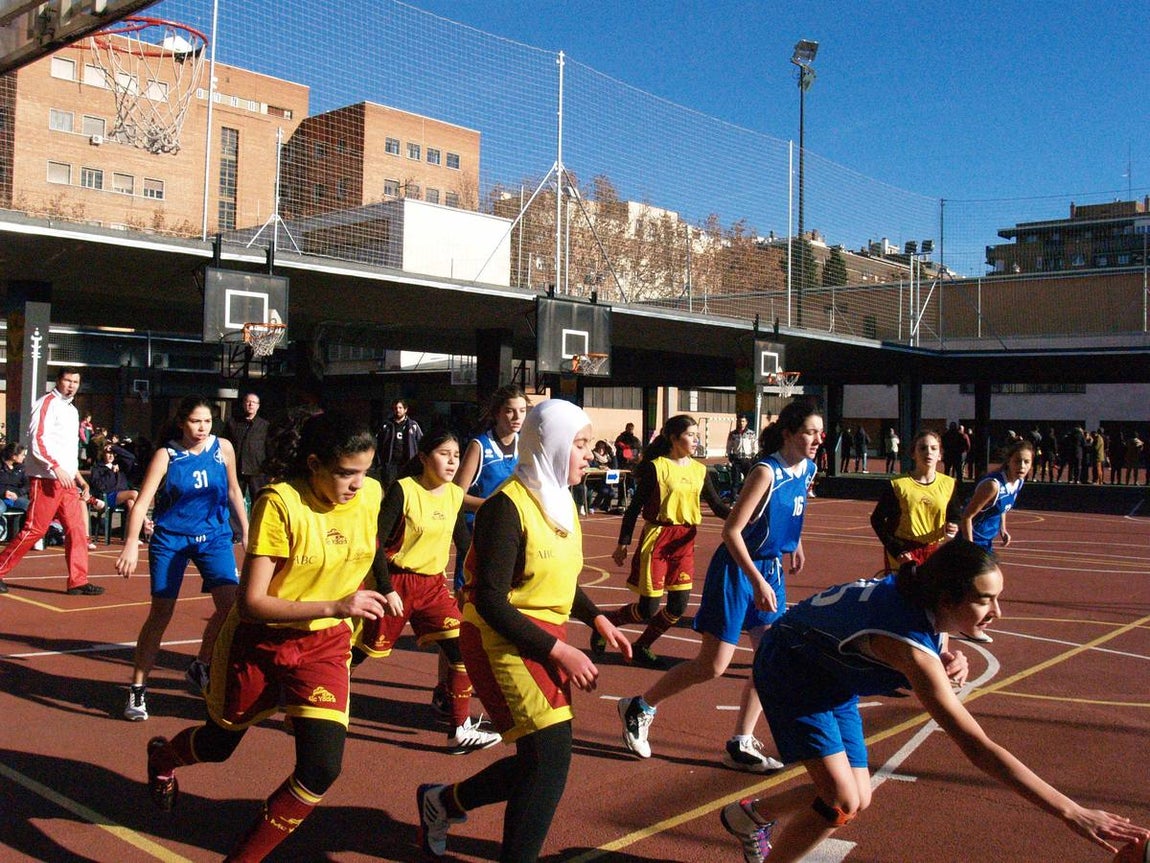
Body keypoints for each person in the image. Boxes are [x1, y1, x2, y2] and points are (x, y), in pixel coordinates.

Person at [718, 540, 1149, 863]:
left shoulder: (925, 596)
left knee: (858, 797)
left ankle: (749, 817)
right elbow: (978, 748)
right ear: (949, 599)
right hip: (792, 670)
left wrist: (945, 654)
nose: (997, 611)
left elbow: (906, 634)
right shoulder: (908, 645)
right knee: (840, 801)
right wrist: (1072, 812)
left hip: (829, 669)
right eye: (985, 600)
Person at [142, 410, 385, 863]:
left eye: (365, 472)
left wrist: (383, 590)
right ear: (314, 465)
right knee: (218, 747)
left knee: (321, 768)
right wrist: (338, 604)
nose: (357, 484)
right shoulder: (280, 503)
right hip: (259, 642)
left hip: (324, 644)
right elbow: (252, 602)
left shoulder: (369, 494)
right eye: (346, 473)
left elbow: (370, 544)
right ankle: (163, 758)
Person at [416, 398, 631, 863]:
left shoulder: (560, 499)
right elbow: (491, 602)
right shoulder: (505, 508)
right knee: (550, 763)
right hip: (499, 640)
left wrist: (596, 618)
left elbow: (560, 577)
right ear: (550, 446)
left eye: (588, 444)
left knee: (540, 762)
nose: (588, 455)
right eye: (579, 445)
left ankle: (443, 802)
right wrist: (560, 651)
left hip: (540, 636)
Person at [618, 401, 822, 772]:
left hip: (768, 569)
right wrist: (757, 580)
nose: (817, 439)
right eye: (810, 431)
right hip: (737, 572)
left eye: (819, 432)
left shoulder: (807, 468)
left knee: (770, 658)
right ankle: (640, 706)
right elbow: (732, 532)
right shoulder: (765, 472)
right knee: (712, 666)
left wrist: (796, 544)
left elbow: (794, 509)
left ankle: (741, 740)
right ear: (790, 433)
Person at [352, 429, 501, 754]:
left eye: (456, 456)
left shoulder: (453, 495)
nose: (452, 461)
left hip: (432, 587)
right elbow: (375, 542)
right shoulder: (404, 491)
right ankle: (315, 691)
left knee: (461, 651)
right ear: (423, 458)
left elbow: (463, 541)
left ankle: (459, 730)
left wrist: (486, 577)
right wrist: (387, 588)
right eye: (444, 454)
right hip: (396, 583)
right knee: (361, 652)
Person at [116, 396, 249, 721]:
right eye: (195, 422)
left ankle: (201, 663)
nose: (202, 428)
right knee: (161, 613)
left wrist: (246, 530)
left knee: (232, 609)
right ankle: (137, 688)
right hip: (171, 539)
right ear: (181, 423)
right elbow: (144, 499)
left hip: (214, 537)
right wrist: (131, 543)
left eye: (207, 421)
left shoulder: (224, 448)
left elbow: (233, 491)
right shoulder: (168, 455)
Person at [593, 414, 731, 667]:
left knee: (678, 606)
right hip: (658, 537)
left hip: (685, 540)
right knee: (648, 608)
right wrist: (623, 543)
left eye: (696, 434)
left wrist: (749, 516)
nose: (695, 439)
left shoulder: (699, 470)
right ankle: (607, 621)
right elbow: (634, 508)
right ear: (673, 438)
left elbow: (719, 507)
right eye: (690, 434)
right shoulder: (657, 467)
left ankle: (643, 645)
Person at [0, 368, 102, 596]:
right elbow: (36, 439)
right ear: (58, 380)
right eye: (68, 380)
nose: (72, 385)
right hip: (46, 478)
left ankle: (78, 580)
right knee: (35, 529)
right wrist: (54, 467)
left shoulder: (73, 411)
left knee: (76, 530)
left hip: (67, 482)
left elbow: (68, 451)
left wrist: (80, 480)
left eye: (76, 381)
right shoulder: (45, 403)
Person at [453, 385, 527, 591]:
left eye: (522, 411)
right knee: (470, 595)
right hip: (477, 534)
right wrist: (492, 507)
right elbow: (456, 496)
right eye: (510, 410)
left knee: (504, 593)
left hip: (508, 533)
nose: (516, 417)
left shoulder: (524, 446)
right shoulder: (480, 446)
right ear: (497, 413)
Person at [870, 429, 961, 573]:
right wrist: (897, 549)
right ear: (913, 454)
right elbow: (877, 520)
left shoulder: (949, 484)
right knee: (902, 594)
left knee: (931, 594)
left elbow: (955, 515)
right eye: (922, 448)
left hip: (933, 551)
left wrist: (953, 525)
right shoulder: (898, 485)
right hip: (904, 552)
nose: (928, 452)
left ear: (940, 455)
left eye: (933, 448)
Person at [960, 438, 1033, 574]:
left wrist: (1003, 528)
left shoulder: (1018, 482)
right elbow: (966, 517)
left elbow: (1001, 507)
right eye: (1017, 461)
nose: (1022, 466)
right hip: (971, 540)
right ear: (1008, 461)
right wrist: (970, 550)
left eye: (1026, 462)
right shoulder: (993, 485)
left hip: (986, 541)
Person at [223, 392, 270, 505]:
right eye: (248, 402)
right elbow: (225, 442)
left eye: (254, 402)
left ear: (258, 406)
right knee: (233, 501)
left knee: (259, 501)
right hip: (237, 469)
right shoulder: (233, 423)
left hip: (257, 470)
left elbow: (269, 447)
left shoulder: (265, 425)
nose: (250, 404)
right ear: (243, 404)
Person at [375, 397, 424, 489]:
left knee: (406, 486)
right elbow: (377, 443)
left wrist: (419, 462)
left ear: (405, 409)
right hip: (390, 463)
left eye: (400, 408)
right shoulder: (386, 425)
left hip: (407, 462)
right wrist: (379, 462)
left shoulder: (413, 425)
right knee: (389, 486)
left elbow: (421, 443)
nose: (398, 410)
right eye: (395, 408)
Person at [726, 414, 757, 491]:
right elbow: (729, 446)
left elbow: (755, 446)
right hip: (737, 460)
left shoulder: (751, 433)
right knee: (735, 481)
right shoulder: (733, 434)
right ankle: (733, 499)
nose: (741, 423)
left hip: (747, 460)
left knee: (749, 480)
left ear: (746, 422)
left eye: (743, 421)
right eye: (740, 421)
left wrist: (753, 456)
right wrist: (730, 455)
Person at [0, 442, 31, 515]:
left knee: (32, 507)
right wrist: (4, 493)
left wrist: (17, 494)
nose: (24, 457)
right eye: (22, 455)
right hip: (1, 497)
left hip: (16, 497)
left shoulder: (21, 469)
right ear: (14, 456)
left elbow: (27, 485)